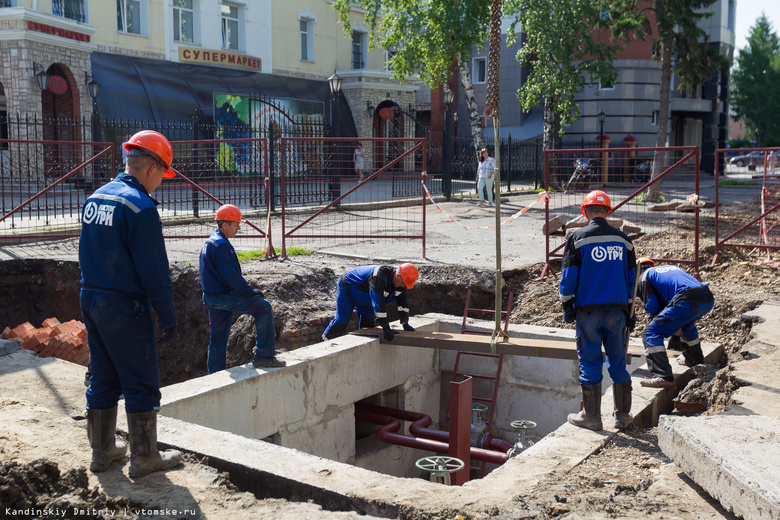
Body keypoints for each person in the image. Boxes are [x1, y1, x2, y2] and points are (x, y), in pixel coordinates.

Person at [80, 130, 182, 477]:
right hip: (124, 306)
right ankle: (144, 458)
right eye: (162, 177)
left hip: (91, 298)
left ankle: (103, 453)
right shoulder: (140, 207)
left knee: (104, 375)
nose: (160, 184)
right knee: (140, 380)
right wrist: (168, 314)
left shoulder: (95, 197)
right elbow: (153, 270)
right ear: (153, 168)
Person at [559, 190, 636, 431]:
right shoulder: (624, 240)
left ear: (585, 212)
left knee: (590, 360)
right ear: (608, 211)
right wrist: (630, 312)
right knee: (618, 362)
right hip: (617, 311)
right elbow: (633, 279)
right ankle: (622, 416)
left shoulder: (578, 238)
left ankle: (592, 417)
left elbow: (569, 277)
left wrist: (566, 304)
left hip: (588, 312)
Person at [199, 204, 286, 374]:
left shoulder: (212, 241)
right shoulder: (221, 245)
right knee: (263, 307)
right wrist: (249, 292)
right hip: (224, 296)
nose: (239, 228)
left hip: (212, 298)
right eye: (236, 224)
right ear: (224, 224)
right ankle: (264, 356)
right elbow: (231, 276)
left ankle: (214, 374)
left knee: (217, 338)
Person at [635, 258, 715, 388]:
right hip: (706, 297)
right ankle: (694, 360)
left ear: (636, 271)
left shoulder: (643, 277)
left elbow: (652, 306)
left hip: (687, 299)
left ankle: (662, 376)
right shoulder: (667, 269)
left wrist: (655, 325)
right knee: (687, 324)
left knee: (650, 332)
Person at [322, 264, 419, 341]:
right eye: (403, 283)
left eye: (405, 285)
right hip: (348, 290)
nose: (403, 286)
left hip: (366, 298)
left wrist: (405, 323)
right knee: (341, 322)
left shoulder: (400, 284)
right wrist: (386, 327)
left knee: (368, 326)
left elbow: (402, 303)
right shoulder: (379, 277)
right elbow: (378, 303)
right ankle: (324, 343)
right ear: (398, 276)